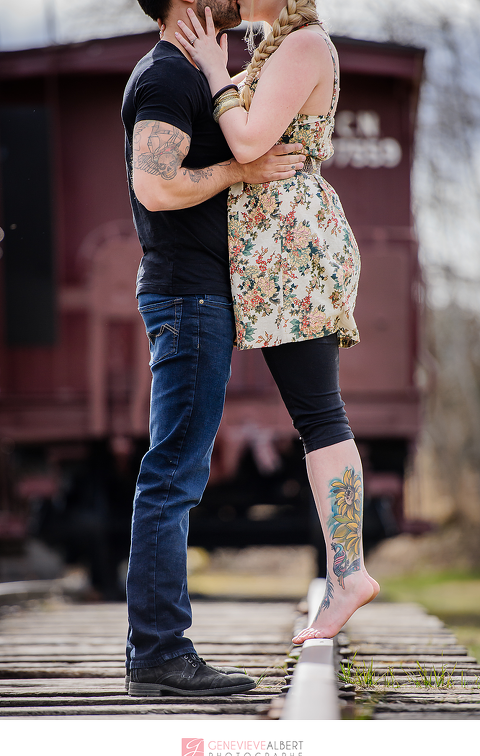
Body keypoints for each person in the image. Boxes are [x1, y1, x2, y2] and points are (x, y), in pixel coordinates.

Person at [175, 0, 380, 644]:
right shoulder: (277, 45)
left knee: (320, 416)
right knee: (316, 415)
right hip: (278, 250)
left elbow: (247, 140)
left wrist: (215, 71)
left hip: (293, 249)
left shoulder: (304, 45)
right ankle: (348, 574)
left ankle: (349, 575)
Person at [121, 0, 306, 696]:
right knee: (172, 476)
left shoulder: (186, 71)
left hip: (194, 298)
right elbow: (154, 184)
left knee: (172, 473)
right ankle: (159, 655)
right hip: (188, 299)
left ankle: (156, 652)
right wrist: (240, 172)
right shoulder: (167, 76)